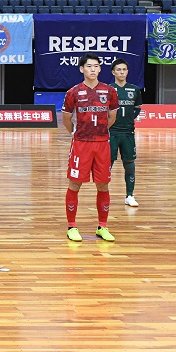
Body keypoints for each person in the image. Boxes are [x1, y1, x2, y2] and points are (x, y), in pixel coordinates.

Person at [63, 54, 119, 242]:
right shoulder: (73, 92)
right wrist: (77, 133)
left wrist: (99, 131)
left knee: (103, 184)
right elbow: (66, 119)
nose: (93, 69)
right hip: (81, 144)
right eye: (89, 66)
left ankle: (102, 226)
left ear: (100, 69)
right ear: (82, 69)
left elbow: (112, 117)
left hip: (102, 143)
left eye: (96, 66)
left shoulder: (109, 91)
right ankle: (72, 226)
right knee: (75, 183)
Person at [109, 58, 143, 207]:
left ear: (127, 71)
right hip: (112, 133)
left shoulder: (134, 89)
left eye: (124, 69)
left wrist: (129, 119)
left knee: (129, 164)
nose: (121, 72)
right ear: (113, 72)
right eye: (118, 70)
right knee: (107, 163)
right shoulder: (108, 89)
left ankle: (129, 195)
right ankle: (104, 194)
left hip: (128, 133)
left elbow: (137, 108)